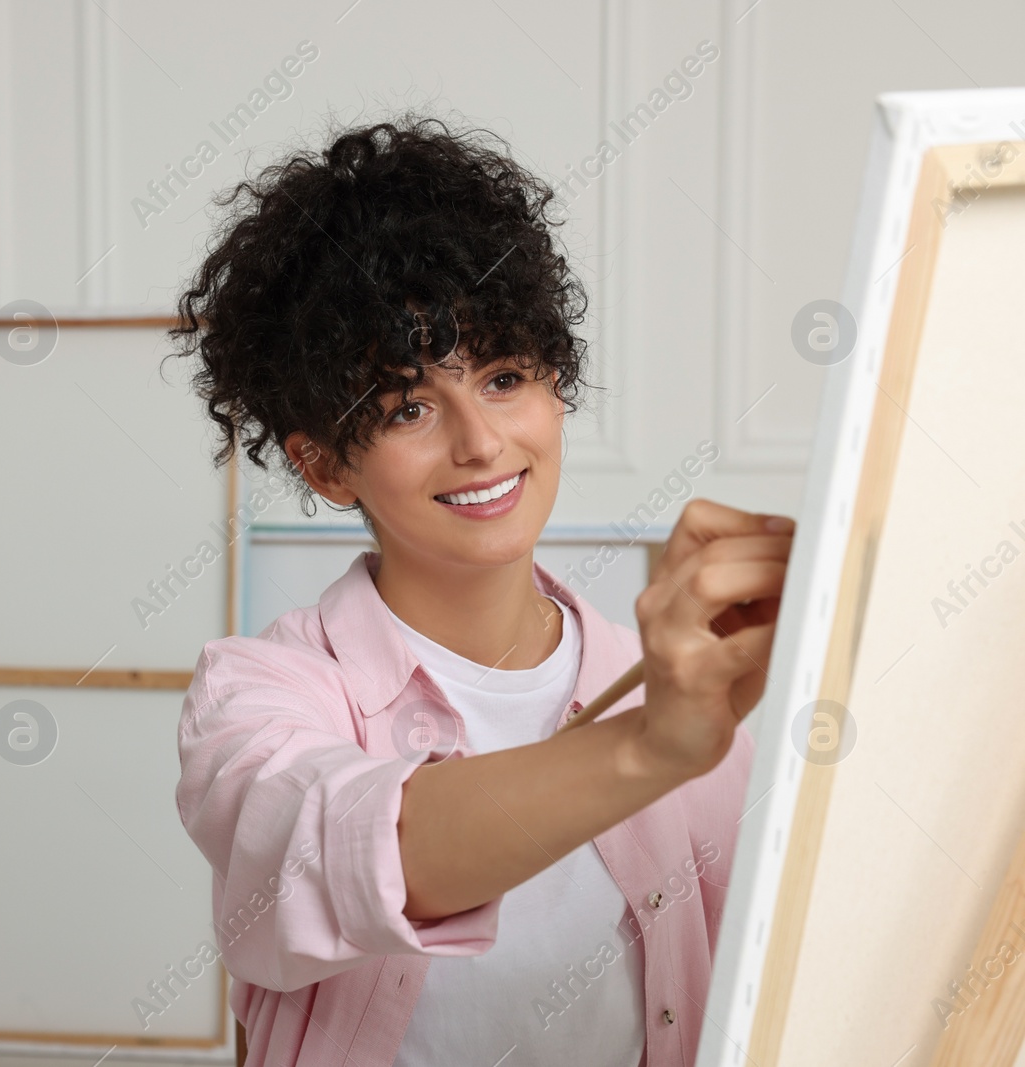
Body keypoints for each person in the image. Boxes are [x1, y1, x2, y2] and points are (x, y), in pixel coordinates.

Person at [167, 113, 792, 1066]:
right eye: (409, 405)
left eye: (504, 376)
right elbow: (358, 850)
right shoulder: (260, 696)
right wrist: (653, 742)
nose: (481, 441)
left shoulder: (680, 695)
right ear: (326, 465)